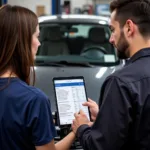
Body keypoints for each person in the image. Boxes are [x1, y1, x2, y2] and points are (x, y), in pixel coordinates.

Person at [72, 0, 150, 149]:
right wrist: (106, 116)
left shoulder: (121, 82)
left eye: (113, 30)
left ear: (128, 28)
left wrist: (81, 128)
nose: (111, 39)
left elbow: (101, 146)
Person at [0, 4, 75, 150]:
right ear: (22, 41)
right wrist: (75, 131)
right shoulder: (34, 100)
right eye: (37, 36)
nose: (39, 43)